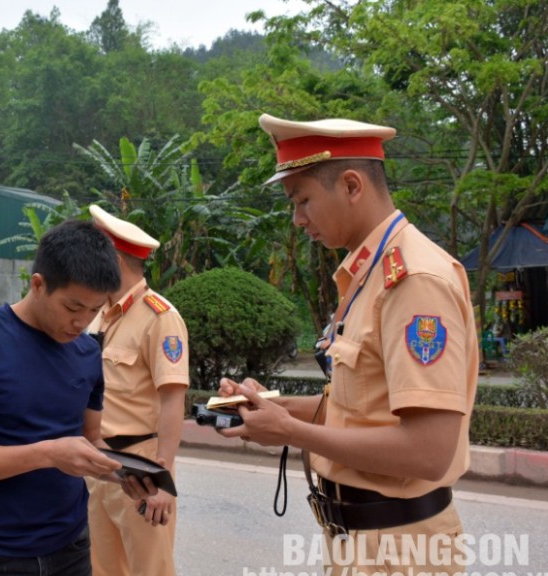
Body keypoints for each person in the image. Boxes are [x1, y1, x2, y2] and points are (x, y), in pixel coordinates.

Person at [218, 114, 479, 574]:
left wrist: (290, 432)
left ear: (353, 185)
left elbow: (429, 451)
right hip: (360, 542)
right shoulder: (368, 274)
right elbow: (354, 411)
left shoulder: (413, 281)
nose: (297, 219)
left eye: (302, 201)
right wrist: (265, 406)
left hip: (401, 550)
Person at [0, 219, 143, 576]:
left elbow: (91, 440)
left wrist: (129, 474)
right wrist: (48, 454)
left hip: (72, 547)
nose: (83, 322)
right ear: (38, 284)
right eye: (73, 308)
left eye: (95, 310)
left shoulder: (87, 353)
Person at [85, 205, 189, 576]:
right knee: (101, 569)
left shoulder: (160, 317)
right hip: (100, 466)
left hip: (142, 468)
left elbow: (173, 398)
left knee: (149, 570)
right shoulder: (100, 314)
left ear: (113, 259)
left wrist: (162, 480)